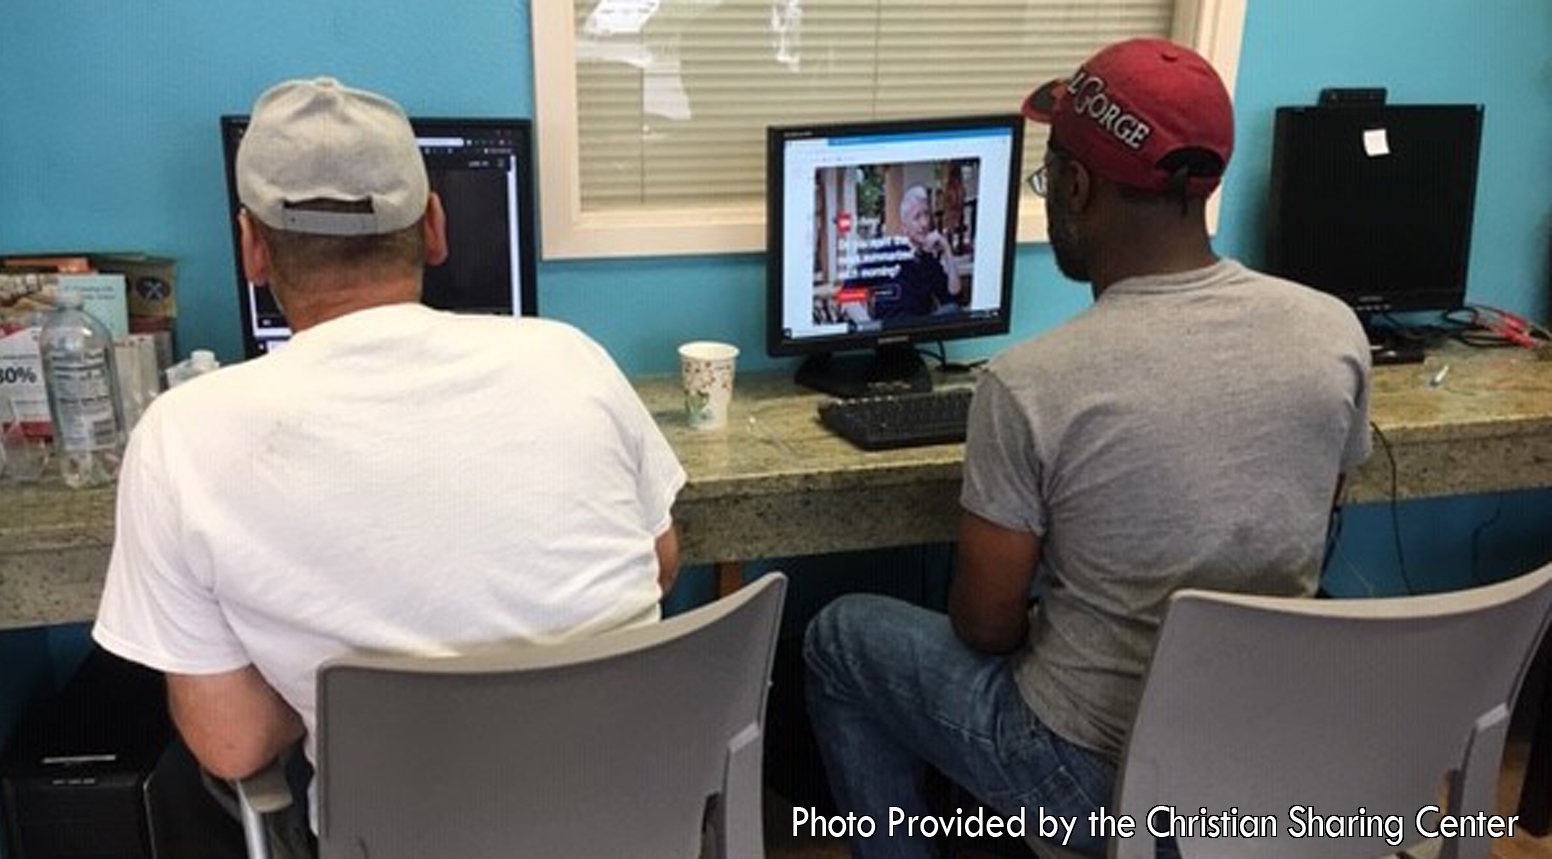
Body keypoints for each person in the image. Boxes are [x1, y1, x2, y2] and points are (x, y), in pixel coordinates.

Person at [804, 38, 1371, 858]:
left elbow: (986, 627)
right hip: (1258, 755)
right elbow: (1304, 519)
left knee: (838, 637)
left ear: (1075, 187)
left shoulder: (1033, 382)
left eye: (1046, 179)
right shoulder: (1334, 333)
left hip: (1088, 775)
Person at [94, 78, 686, 827]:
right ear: (434, 226)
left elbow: (234, 742)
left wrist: (342, 691)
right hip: (637, 824)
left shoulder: (178, 438)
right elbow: (658, 562)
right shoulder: (573, 358)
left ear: (250, 246)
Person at [872, 185, 962, 320]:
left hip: (920, 333)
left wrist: (947, 250)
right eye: (917, 217)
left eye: (927, 214)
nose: (925, 223)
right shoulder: (886, 253)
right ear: (905, 228)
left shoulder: (929, 262)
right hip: (888, 334)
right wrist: (867, 328)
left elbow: (953, 297)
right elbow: (849, 292)